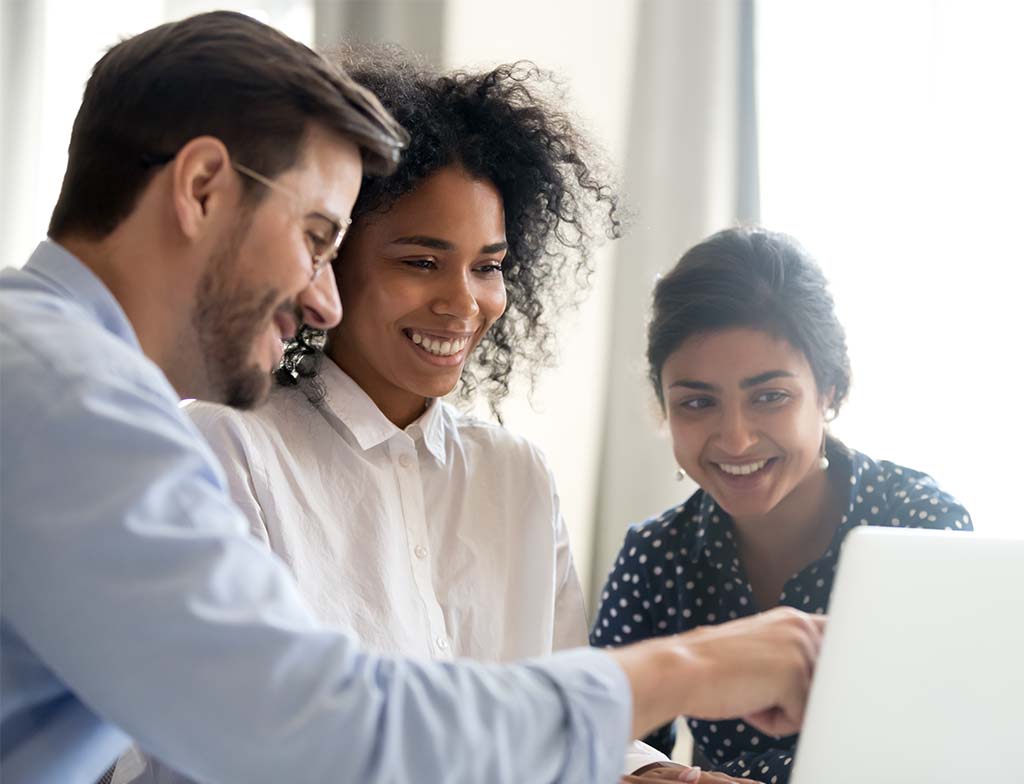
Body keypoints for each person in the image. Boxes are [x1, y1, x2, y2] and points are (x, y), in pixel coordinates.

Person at [0, 12, 825, 781]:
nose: (321, 302)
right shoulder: (74, 401)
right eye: (319, 237)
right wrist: (696, 668)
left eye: (487, 265)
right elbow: (311, 725)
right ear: (204, 186)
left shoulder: (48, 368)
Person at [113, 46, 672, 783]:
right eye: (420, 261)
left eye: (488, 266)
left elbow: (561, 721)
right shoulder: (227, 446)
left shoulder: (516, 476)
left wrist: (646, 773)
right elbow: (241, 740)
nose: (463, 303)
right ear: (327, 261)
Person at [592, 226, 973, 783]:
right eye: (698, 402)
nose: (736, 439)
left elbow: (953, 739)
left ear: (830, 390)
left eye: (770, 396)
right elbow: (604, 740)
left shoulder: (920, 527)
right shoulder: (656, 556)